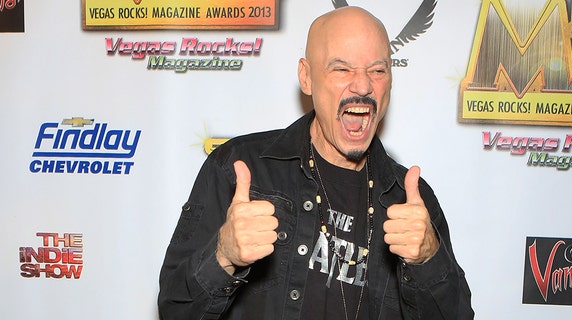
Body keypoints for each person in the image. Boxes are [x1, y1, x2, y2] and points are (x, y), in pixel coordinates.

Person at [158, 6, 473, 320]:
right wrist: (223, 256)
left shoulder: (411, 199)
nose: (363, 86)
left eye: (377, 70)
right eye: (341, 69)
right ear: (306, 78)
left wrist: (429, 260)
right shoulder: (240, 168)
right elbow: (175, 309)